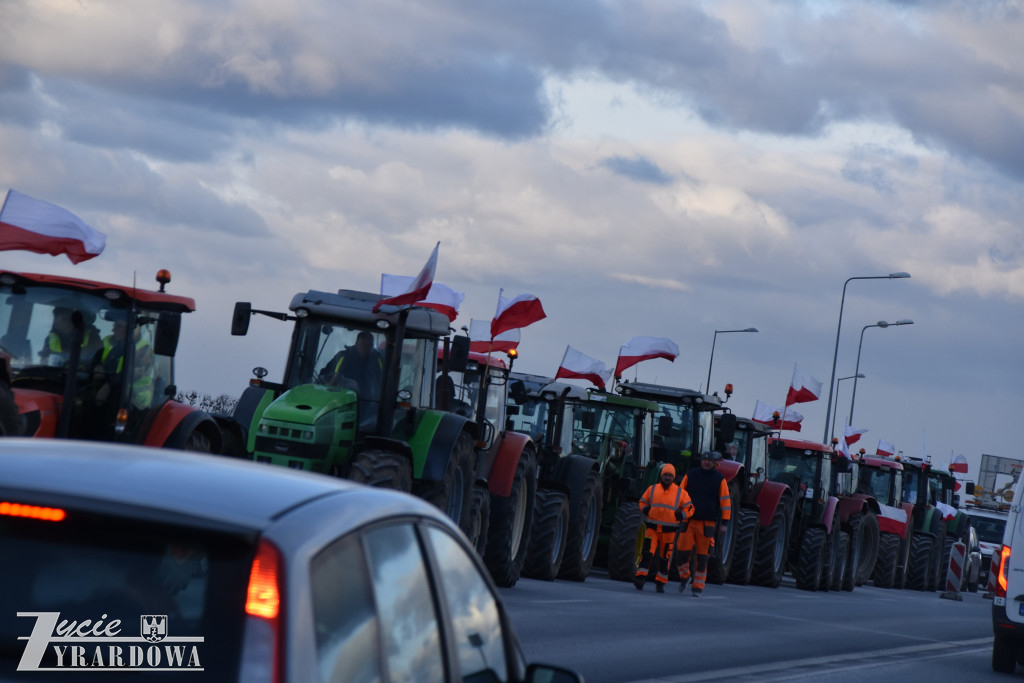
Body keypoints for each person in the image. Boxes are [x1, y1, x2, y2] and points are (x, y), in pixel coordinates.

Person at [677, 451, 732, 596]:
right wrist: (676, 512)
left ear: (714, 463)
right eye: (704, 460)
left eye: (709, 460)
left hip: (707, 524)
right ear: (701, 461)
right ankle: (685, 577)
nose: (706, 462)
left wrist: (725, 522)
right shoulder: (690, 475)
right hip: (688, 521)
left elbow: (725, 502)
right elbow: (679, 495)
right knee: (681, 553)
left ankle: (698, 586)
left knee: (703, 557)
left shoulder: (719, 479)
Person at [635, 463, 693, 593]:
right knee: (647, 554)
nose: (667, 478)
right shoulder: (652, 489)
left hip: (669, 532)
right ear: (661, 476)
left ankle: (660, 583)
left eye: (670, 475)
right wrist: (645, 509)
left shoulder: (680, 493)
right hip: (652, 529)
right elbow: (642, 501)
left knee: (665, 558)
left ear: (674, 477)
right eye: (665, 475)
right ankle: (640, 578)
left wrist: (681, 515)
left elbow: (690, 508)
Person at [322, 331, 384, 398]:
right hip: (342, 397)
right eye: (363, 345)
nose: (367, 348)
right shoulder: (343, 356)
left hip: (370, 400)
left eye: (370, 345)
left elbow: (384, 382)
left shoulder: (378, 361)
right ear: (356, 343)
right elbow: (324, 374)